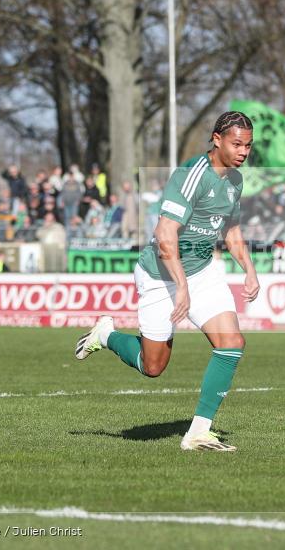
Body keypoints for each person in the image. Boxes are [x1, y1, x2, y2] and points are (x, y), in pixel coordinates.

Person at [74, 111, 260, 452]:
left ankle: (198, 433)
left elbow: (230, 229)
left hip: (201, 272)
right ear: (216, 139)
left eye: (248, 145)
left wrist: (248, 268)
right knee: (153, 365)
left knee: (231, 342)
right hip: (161, 276)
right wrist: (181, 286)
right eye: (237, 144)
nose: (243, 152)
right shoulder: (192, 175)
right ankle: (106, 334)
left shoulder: (234, 180)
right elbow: (164, 234)